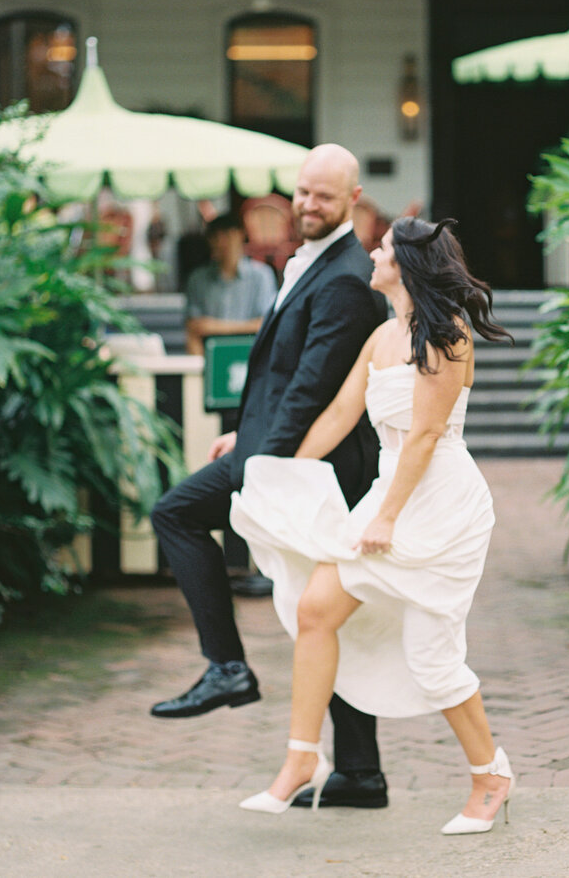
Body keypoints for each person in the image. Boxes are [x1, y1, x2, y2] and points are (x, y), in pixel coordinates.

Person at [231, 217, 516, 835]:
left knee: (433, 660)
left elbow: (424, 436)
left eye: (381, 247)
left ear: (406, 264)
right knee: (316, 611)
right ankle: (301, 759)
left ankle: (490, 775)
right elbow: (337, 414)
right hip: (392, 493)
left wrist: (385, 516)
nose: (371, 254)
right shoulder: (383, 336)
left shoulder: (448, 335)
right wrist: (271, 467)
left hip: (440, 504)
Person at [150, 144, 391, 810]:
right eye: (302, 193)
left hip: (317, 466)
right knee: (321, 616)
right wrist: (244, 431)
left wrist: (256, 462)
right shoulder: (308, 261)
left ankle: (226, 667)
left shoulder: (344, 275)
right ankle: (361, 774)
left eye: (324, 195)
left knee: (175, 513)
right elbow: (283, 373)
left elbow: (314, 388)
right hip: (286, 448)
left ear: (353, 198)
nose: (309, 204)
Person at [184, 212, 278, 356]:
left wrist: (215, 327)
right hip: (211, 357)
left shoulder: (262, 275)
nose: (221, 243)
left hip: (252, 356)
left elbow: (266, 324)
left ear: (241, 234)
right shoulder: (197, 279)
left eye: (227, 235)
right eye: (215, 237)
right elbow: (194, 328)